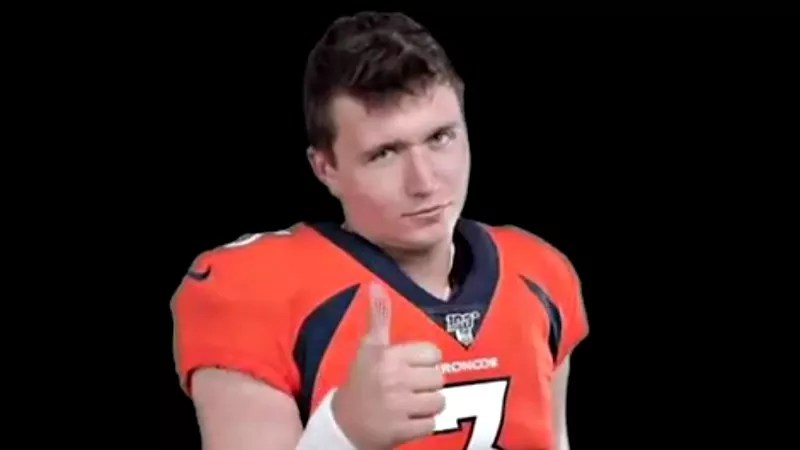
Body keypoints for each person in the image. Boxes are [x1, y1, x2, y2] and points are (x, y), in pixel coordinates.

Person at [171, 11, 589, 450]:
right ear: (325, 168)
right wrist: (342, 432)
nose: (424, 182)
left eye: (440, 137)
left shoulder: (538, 273)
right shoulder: (254, 292)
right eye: (385, 153)